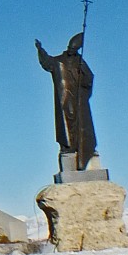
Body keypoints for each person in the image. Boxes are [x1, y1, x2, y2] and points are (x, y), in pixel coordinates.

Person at [36, 33, 97, 171]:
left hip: (79, 99)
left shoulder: (80, 61)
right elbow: (47, 63)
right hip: (64, 99)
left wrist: (84, 75)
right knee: (66, 126)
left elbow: (89, 78)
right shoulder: (59, 61)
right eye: (70, 47)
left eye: (74, 48)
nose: (71, 50)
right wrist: (40, 50)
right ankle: (68, 147)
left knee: (82, 126)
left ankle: (85, 152)